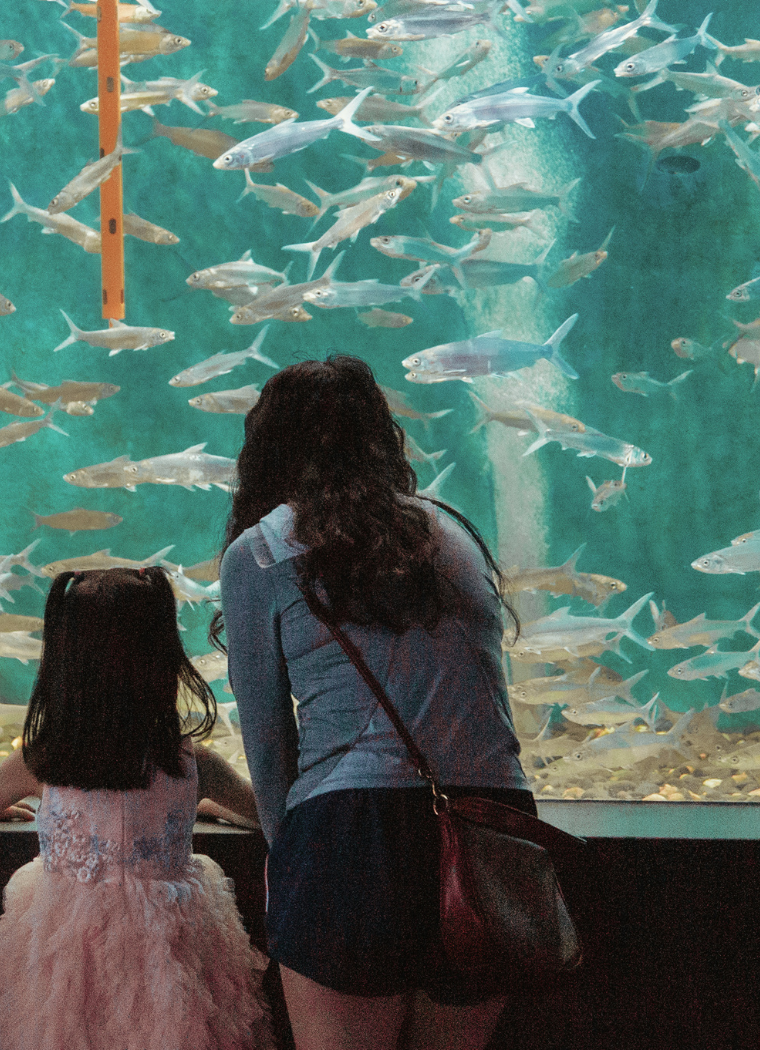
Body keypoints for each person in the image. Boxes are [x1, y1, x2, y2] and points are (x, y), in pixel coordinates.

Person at [217, 355, 534, 1050]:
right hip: (493, 826)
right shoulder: (451, 529)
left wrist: (287, 853)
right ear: (383, 437)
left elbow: (267, 738)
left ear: (268, 449)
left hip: (352, 833)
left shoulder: (262, 551)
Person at [0, 567, 274, 1050]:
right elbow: (268, 814)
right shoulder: (196, 765)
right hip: (170, 955)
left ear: (64, 662)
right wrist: (212, 806)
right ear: (163, 660)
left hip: (68, 954)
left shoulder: (41, 760)